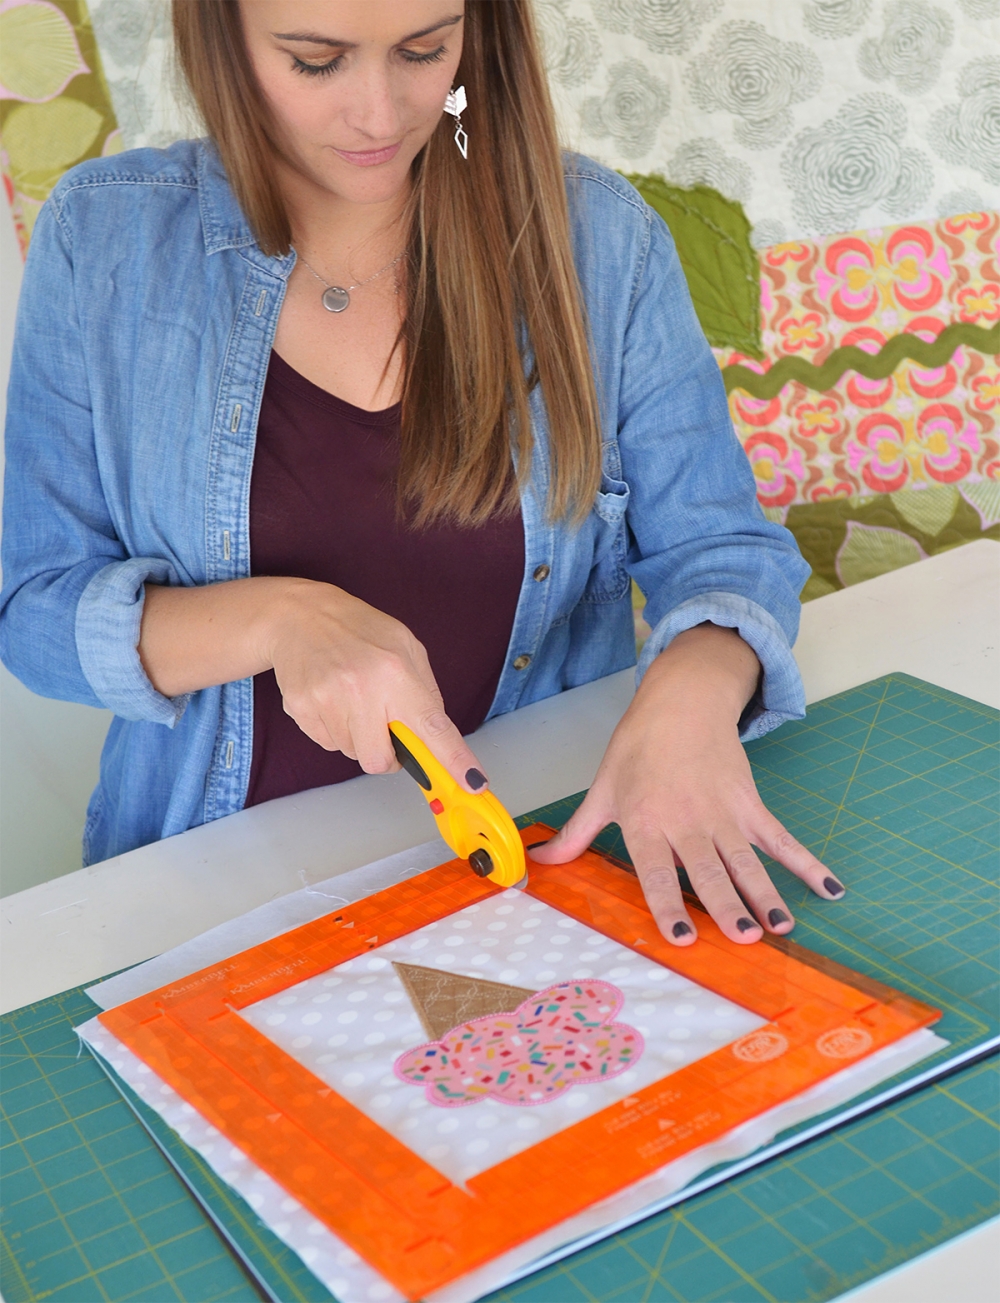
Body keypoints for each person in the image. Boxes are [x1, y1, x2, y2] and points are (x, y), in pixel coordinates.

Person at [0, 0, 843, 946]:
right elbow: (33, 612)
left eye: (424, 50)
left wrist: (692, 696)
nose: (381, 113)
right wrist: (284, 620)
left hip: (534, 860)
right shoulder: (103, 241)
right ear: (221, 32)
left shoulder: (601, 241)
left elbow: (724, 549)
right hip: (214, 898)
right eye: (316, 60)